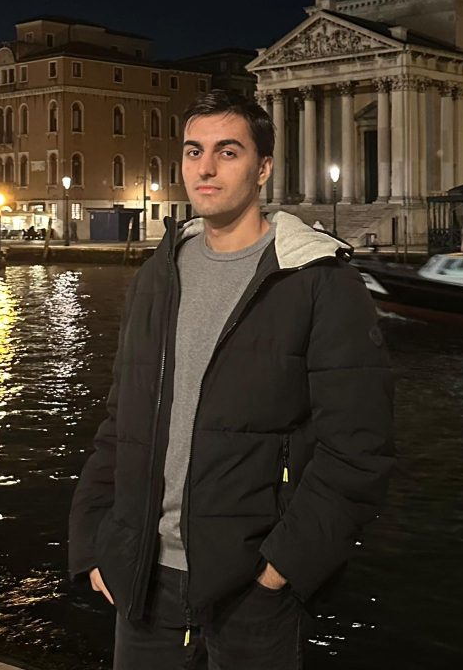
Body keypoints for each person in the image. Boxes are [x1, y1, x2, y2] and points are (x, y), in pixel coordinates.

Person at [69, 89, 394, 669]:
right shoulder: (155, 278)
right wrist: (93, 540)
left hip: (251, 589)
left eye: (228, 151)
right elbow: (122, 423)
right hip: (141, 577)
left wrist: (283, 567)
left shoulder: (319, 281)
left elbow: (359, 448)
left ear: (263, 168)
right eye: (194, 151)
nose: (206, 168)